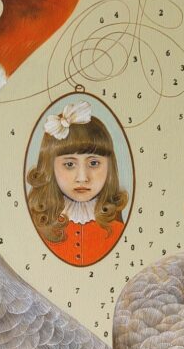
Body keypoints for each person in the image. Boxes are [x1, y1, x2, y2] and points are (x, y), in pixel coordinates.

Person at [26, 101, 128, 266]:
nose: (82, 178)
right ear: (50, 168)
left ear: (109, 167)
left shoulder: (120, 234)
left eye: (93, 163)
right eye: (69, 164)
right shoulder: (35, 232)